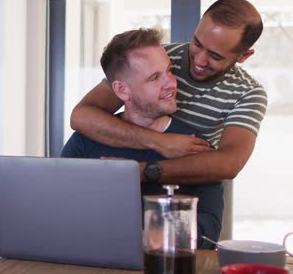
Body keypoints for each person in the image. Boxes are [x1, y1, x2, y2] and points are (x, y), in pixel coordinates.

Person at [70, 0, 267, 185]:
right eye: (197, 43)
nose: (198, 60)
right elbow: (81, 116)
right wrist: (159, 142)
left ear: (244, 56)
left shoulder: (249, 93)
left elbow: (229, 163)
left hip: (191, 182)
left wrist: (142, 171)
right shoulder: (159, 57)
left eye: (215, 56)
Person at [61, 28, 223, 249]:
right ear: (122, 91)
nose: (171, 84)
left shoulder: (197, 147)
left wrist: (133, 238)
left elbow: (208, 236)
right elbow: (60, 214)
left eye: (169, 71)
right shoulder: (84, 142)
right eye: (155, 78)